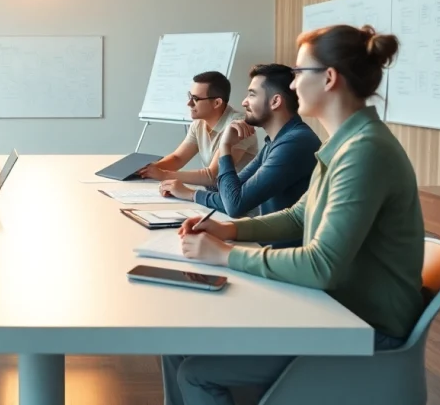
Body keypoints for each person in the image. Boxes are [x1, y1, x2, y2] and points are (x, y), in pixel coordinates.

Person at [161, 25, 425, 405]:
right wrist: (228, 229)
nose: (294, 84)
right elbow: (299, 217)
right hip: (332, 307)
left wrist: (224, 254)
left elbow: (321, 266)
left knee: (196, 373)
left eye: (300, 73)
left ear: (329, 78)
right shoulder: (344, 143)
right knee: (178, 342)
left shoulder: (364, 152)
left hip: (359, 325)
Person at [158, 64, 321, 227]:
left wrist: (225, 146)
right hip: (265, 241)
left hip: (280, 249)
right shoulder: (276, 141)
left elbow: (235, 205)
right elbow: (228, 195)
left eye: (252, 95)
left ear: (275, 101)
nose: (244, 102)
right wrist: (189, 194)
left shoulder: (294, 143)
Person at [141, 71, 259, 187]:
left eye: (195, 99)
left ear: (217, 103)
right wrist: (148, 169)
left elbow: (212, 176)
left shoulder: (239, 126)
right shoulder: (199, 123)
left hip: (238, 199)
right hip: (214, 195)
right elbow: (178, 158)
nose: (189, 103)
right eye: (189, 96)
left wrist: (164, 175)